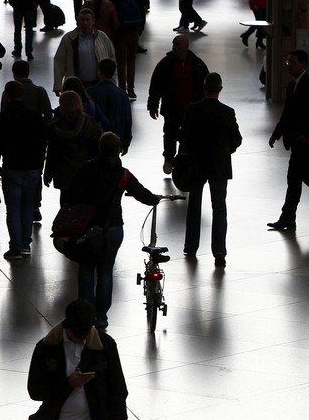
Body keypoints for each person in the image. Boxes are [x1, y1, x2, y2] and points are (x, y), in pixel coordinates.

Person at [66, 133, 161, 328]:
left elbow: (71, 193)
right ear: (119, 150)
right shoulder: (123, 174)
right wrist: (155, 199)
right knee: (106, 271)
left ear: (100, 148)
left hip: (87, 228)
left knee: (85, 270)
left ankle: (84, 316)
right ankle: (101, 316)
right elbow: (142, 194)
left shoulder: (86, 168)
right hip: (113, 228)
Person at [27, 299, 128, 420]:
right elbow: (35, 391)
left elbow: (118, 387)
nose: (82, 339)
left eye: (86, 333)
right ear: (66, 326)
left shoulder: (105, 345)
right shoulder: (47, 348)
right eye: (77, 334)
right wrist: (67, 384)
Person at [179, 73, 242, 266]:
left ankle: (191, 247)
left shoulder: (191, 110)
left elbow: (184, 137)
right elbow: (237, 139)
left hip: (197, 163)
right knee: (219, 207)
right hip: (219, 165)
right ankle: (219, 252)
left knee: (194, 206)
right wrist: (225, 151)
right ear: (220, 89)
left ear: (203, 88)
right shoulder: (227, 112)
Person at [0, 81, 47, 258]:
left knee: (13, 209)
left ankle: (15, 246)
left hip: (11, 167)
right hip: (31, 168)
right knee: (28, 207)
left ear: (6, 95)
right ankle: (25, 244)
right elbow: (42, 141)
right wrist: (39, 164)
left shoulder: (2, 117)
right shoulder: (35, 116)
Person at [267, 49, 309, 231]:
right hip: (297, 141)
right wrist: (277, 133)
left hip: (305, 142)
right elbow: (287, 113)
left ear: (303, 64)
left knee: (304, 178)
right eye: (288, 62)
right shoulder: (292, 85)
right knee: (297, 179)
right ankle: (288, 218)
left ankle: (287, 218)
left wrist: (305, 137)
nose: (289, 65)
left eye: (293, 62)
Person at [147, 34, 209, 174]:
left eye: (177, 44)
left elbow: (205, 86)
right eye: (173, 43)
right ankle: (168, 158)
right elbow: (156, 86)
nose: (174, 46)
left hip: (191, 111)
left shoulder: (197, 64)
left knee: (187, 137)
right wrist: (153, 105)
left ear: (186, 47)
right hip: (172, 109)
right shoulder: (165, 64)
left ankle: (182, 160)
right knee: (169, 134)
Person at [45, 91, 103, 204]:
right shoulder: (90, 122)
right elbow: (97, 148)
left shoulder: (56, 127)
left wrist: (48, 174)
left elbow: (52, 153)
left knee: (66, 207)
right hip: (86, 174)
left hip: (65, 174)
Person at [53, 8, 116, 95]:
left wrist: (112, 82)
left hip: (99, 83)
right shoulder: (68, 39)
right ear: (78, 21)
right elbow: (59, 62)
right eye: (82, 20)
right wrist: (58, 85)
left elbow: (111, 60)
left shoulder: (102, 37)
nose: (85, 23)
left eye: (87, 20)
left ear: (93, 21)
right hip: (77, 85)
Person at [107, 0, 145, 98]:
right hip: (133, 31)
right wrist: (139, 30)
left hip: (119, 33)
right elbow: (142, 14)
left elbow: (112, 17)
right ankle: (131, 88)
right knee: (132, 60)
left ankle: (122, 88)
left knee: (121, 61)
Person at [87, 58, 133, 152]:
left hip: (95, 140)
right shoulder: (122, 94)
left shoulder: (90, 92)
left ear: (99, 72)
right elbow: (127, 119)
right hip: (116, 140)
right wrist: (126, 141)